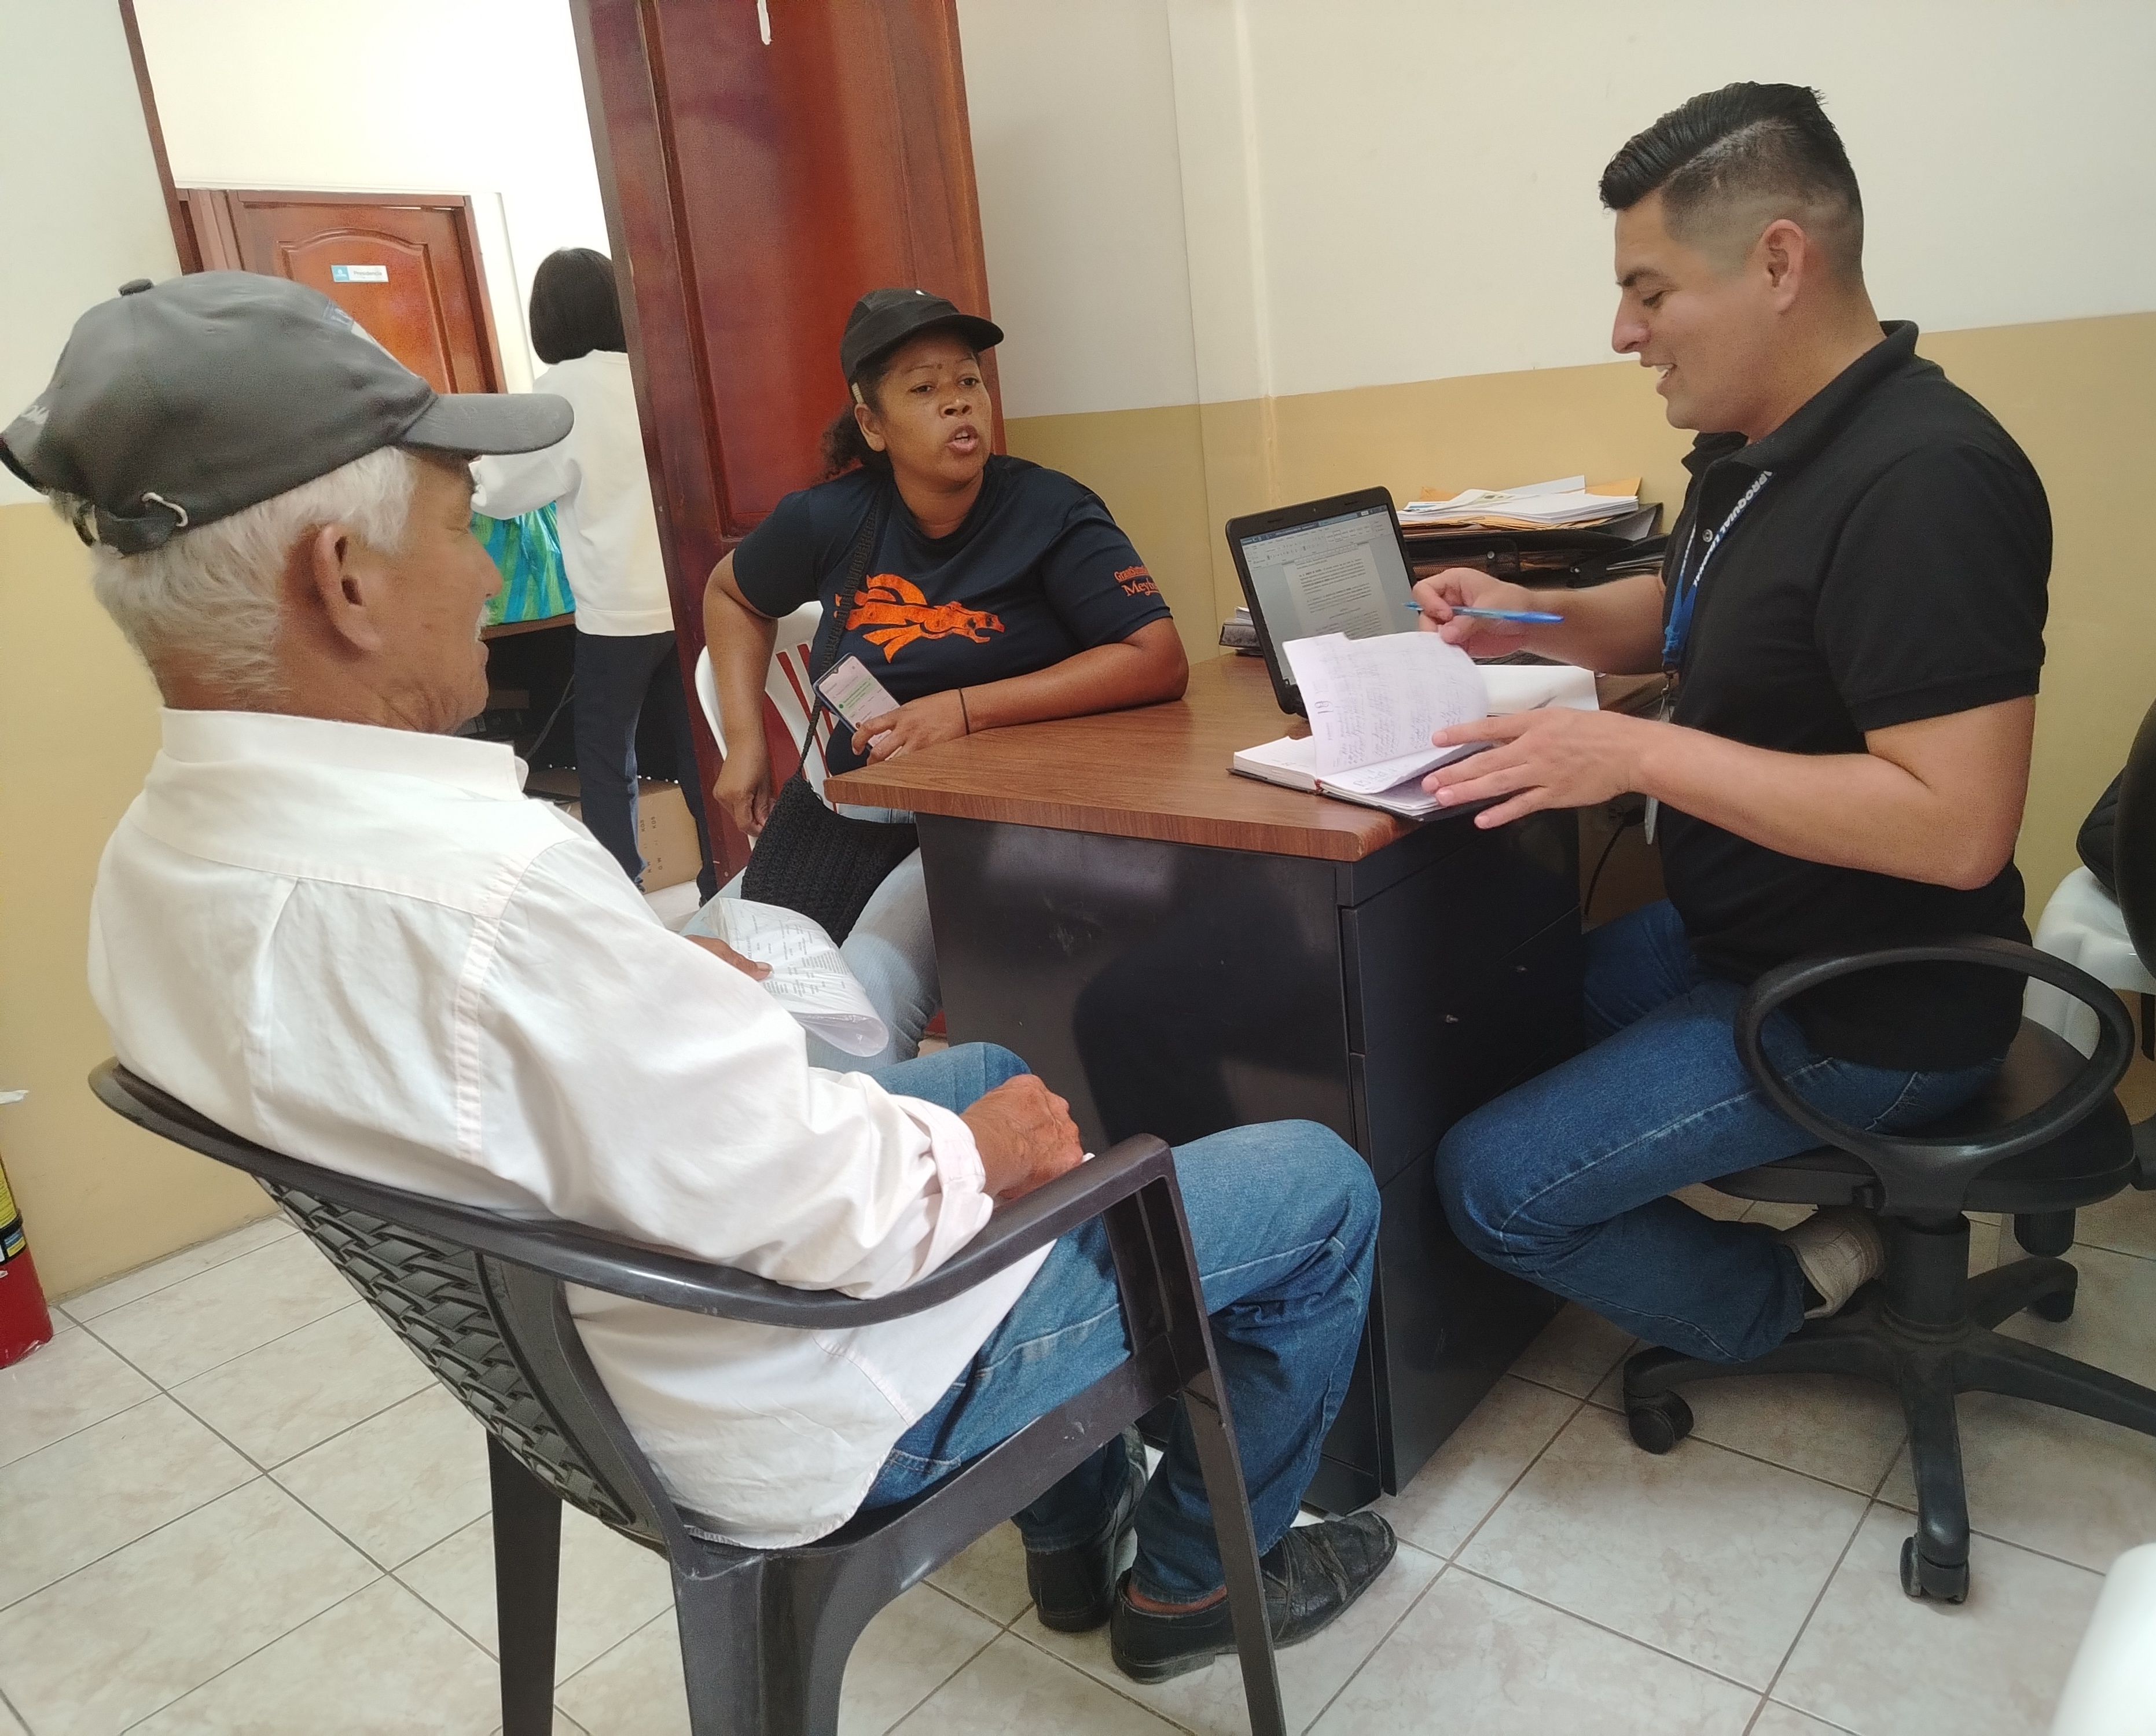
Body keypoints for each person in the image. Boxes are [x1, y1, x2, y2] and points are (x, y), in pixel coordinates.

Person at [9, 271, 1392, 1683]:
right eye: (463, 526)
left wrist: (647, 983)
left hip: (578, 1376)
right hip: (799, 1389)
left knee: (982, 1063)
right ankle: (1188, 1589)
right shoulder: (492, 895)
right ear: (341, 580)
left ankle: (1068, 1523)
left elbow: (489, 1066)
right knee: (1312, 1182)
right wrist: (975, 1155)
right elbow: (839, 1215)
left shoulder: (146, 878)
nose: (487, 574)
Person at [1414, 84, 2050, 1363]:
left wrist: (1634, 750)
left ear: (1777, 263)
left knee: (1491, 1185)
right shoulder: (1757, 451)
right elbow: (1693, 612)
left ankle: (1795, 1286)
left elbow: (1957, 828)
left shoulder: (1925, 481)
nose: (1623, 332)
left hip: (1871, 1003)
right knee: (1486, 1019)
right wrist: (1523, 619)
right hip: (1744, 938)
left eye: (1649, 293)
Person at [695, 288, 1189, 1068]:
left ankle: (887, 1143)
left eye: (968, 381)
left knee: (859, 1005)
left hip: (982, 825)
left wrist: (962, 709)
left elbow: (1155, 657)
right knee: (691, 981)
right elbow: (731, 594)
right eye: (924, 389)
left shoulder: (1049, 510)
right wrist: (745, 742)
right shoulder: (831, 518)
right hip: (846, 815)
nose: (957, 403)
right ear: (872, 424)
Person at [472, 247, 714, 900]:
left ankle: (622, 891)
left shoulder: (562, 390)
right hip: (692, 601)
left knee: (607, 757)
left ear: (547, 320)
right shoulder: (659, 373)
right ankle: (722, 876)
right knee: (697, 746)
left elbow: (501, 492)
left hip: (617, 610)